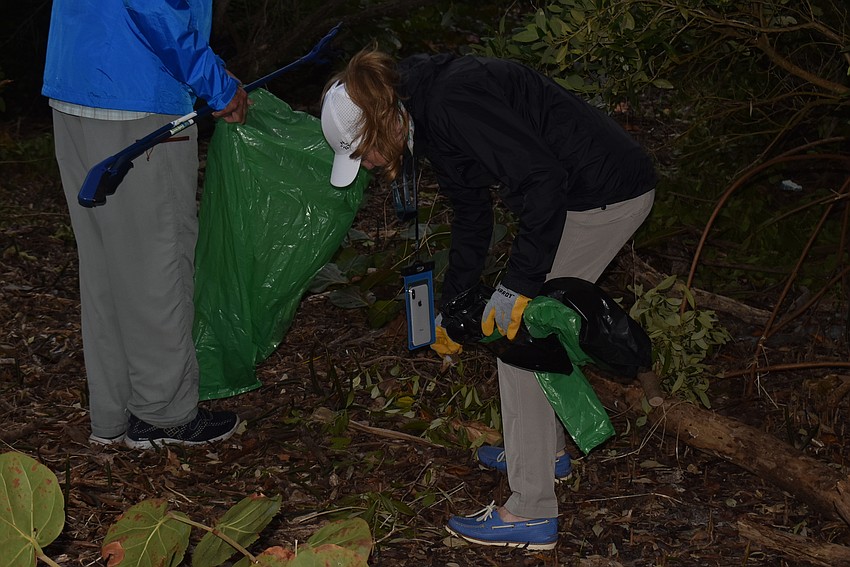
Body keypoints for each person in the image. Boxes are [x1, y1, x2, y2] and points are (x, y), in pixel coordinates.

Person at [320, 47, 656, 550]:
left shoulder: (452, 101)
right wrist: (453, 306)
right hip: (577, 192)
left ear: (381, 119)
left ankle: (530, 511)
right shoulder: (422, 110)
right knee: (510, 323)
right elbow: (472, 207)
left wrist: (517, 287)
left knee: (517, 335)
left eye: (363, 153)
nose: (367, 165)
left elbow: (543, 181)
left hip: (603, 194)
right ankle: (544, 454)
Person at [42, 1, 248, 450]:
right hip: (137, 95)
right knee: (157, 262)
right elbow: (154, 6)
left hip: (75, 83)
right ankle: (163, 414)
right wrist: (215, 83)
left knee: (106, 266)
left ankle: (113, 414)